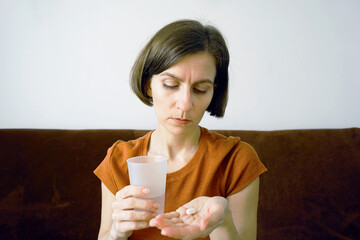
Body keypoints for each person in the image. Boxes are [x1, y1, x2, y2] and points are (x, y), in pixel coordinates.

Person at [94, 19, 267, 240]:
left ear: (213, 91)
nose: (185, 104)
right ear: (149, 84)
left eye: (200, 89)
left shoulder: (237, 159)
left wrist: (221, 223)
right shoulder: (119, 160)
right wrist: (116, 233)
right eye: (171, 85)